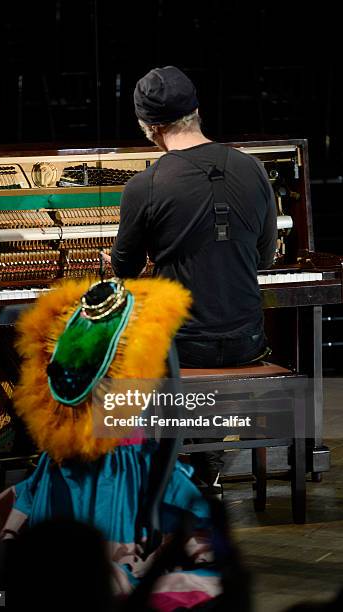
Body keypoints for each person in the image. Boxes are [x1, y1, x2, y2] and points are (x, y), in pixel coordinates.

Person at [110, 65, 277, 490]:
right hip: (248, 339)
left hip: (183, 346)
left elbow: (125, 269)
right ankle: (206, 455)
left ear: (149, 127)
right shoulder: (254, 169)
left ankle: (154, 471)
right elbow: (263, 256)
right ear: (197, 111)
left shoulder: (144, 184)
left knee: (111, 356)